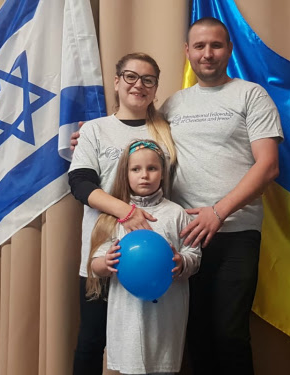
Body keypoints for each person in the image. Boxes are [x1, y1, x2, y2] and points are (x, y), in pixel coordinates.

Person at [70, 17, 282, 374]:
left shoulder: (247, 95)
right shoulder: (171, 108)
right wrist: (89, 136)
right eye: (199, 46)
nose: (207, 53)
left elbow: (269, 166)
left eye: (216, 45)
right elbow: (113, 150)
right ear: (187, 52)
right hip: (152, 237)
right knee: (186, 336)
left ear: (229, 49)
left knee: (228, 335)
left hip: (224, 231)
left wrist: (218, 211)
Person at [68, 53, 176, 375]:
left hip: (154, 257)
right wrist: (126, 212)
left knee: (153, 345)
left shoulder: (167, 134)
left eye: (148, 79)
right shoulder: (95, 130)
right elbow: (80, 184)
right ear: (116, 82)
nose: (138, 85)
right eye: (130, 76)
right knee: (91, 341)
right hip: (104, 251)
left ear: (156, 88)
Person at [88, 139, 201, 375]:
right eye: (136, 169)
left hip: (166, 317)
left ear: (162, 174)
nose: (144, 175)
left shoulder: (176, 213)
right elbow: (95, 264)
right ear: (125, 173)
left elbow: (194, 255)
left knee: (163, 367)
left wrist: (182, 261)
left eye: (152, 168)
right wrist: (106, 263)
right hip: (127, 315)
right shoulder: (115, 215)